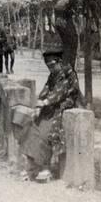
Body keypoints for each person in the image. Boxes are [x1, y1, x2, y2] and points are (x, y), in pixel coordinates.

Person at [19, 47, 84, 180]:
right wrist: (39, 103)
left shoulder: (68, 73)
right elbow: (46, 89)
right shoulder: (53, 75)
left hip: (63, 107)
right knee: (32, 127)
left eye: (52, 65)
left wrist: (46, 102)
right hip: (50, 107)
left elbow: (61, 92)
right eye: (48, 66)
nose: (50, 68)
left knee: (46, 133)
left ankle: (45, 167)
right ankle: (31, 165)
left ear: (59, 62)